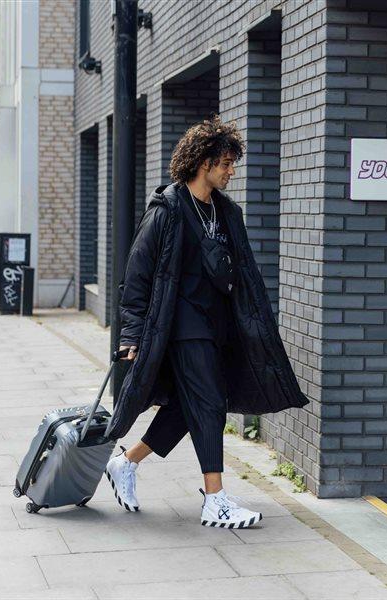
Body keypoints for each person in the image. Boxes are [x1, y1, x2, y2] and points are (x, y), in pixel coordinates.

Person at [105, 115, 308, 529]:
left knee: (186, 406)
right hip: (178, 327)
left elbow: (243, 274)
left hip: (217, 327)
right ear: (204, 161)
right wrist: (130, 334)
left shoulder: (226, 213)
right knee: (212, 403)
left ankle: (126, 463)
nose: (232, 171)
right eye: (227, 163)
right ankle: (215, 498)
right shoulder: (168, 209)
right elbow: (137, 275)